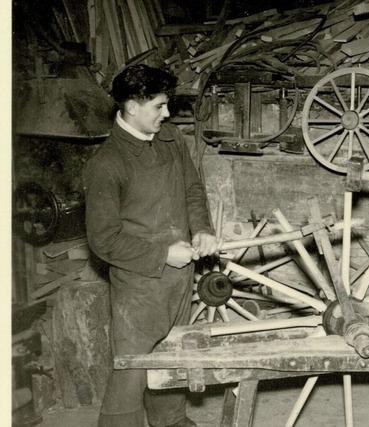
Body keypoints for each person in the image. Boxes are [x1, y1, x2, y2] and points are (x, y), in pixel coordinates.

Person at [84, 64, 219, 427]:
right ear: (131, 107)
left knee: (172, 354)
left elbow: (192, 190)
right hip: (139, 286)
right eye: (159, 106)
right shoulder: (107, 164)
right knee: (132, 367)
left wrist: (202, 228)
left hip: (180, 277)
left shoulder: (170, 138)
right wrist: (162, 254)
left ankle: (170, 421)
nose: (167, 113)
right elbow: (103, 239)